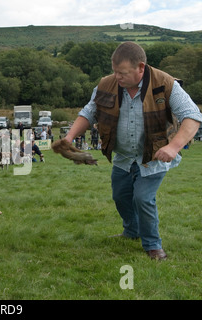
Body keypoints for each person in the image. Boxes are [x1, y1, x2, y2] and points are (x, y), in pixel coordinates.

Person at [63, 42, 202, 260]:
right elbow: (89, 112)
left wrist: (173, 146)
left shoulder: (165, 84)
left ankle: (153, 245)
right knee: (121, 197)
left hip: (153, 157)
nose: (117, 77)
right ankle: (132, 231)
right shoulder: (106, 85)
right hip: (123, 158)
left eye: (123, 73)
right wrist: (69, 138)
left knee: (143, 198)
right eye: (115, 71)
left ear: (140, 67)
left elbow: (192, 115)